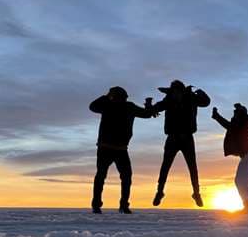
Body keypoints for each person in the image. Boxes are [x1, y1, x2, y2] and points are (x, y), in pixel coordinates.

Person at [89, 86, 155, 214]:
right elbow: (92, 106)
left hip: (119, 149)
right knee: (104, 176)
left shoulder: (125, 106)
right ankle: (100, 205)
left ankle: (121, 205)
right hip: (106, 148)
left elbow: (147, 114)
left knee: (121, 177)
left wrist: (148, 104)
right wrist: (106, 97)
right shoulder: (108, 105)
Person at [151, 80, 211, 207]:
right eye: (173, 92)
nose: (175, 94)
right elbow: (155, 108)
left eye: (177, 91)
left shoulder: (191, 98)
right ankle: (160, 192)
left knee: (192, 168)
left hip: (187, 138)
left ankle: (196, 193)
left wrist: (199, 92)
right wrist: (150, 106)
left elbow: (206, 102)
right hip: (172, 138)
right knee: (165, 167)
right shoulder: (168, 100)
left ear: (182, 91)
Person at [212, 103, 248, 213]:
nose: (234, 116)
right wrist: (217, 116)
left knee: (242, 180)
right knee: (239, 181)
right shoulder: (236, 125)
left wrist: (243, 111)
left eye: (236, 114)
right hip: (246, 156)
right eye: (235, 114)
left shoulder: (245, 123)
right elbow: (228, 125)